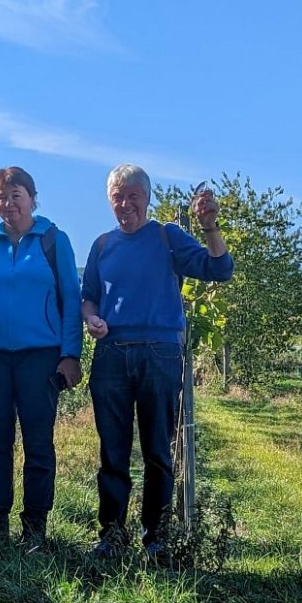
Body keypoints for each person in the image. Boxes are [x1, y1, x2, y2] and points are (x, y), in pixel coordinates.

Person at [81, 164, 234, 559]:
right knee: (112, 451)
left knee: (157, 450)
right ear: (109, 200)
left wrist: (210, 227)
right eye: (119, 196)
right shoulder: (101, 246)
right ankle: (111, 536)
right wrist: (92, 318)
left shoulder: (167, 236)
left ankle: (156, 538)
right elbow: (89, 297)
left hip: (160, 353)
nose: (126, 203)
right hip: (112, 354)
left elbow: (219, 269)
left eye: (134, 195)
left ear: (146, 198)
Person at [0, 166, 83, 544]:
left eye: (15, 195)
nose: (8, 203)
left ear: (32, 197)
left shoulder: (53, 240)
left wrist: (71, 353)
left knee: (38, 442)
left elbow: (71, 300)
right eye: (1, 197)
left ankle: (35, 526)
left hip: (41, 355)